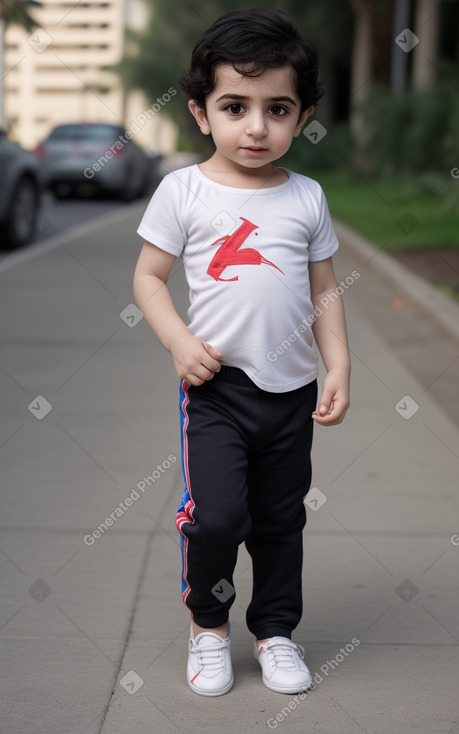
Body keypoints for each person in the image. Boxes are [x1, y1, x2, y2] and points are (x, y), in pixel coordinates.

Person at [133, 8, 350, 697]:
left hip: (289, 394)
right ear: (200, 113)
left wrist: (338, 364)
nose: (256, 127)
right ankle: (208, 628)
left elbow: (325, 291)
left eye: (277, 109)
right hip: (218, 391)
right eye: (235, 106)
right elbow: (147, 278)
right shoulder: (184, 191)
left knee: (281, 521)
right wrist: (178, 339)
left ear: (302, 114)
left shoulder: (306, 197)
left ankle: (277, 631)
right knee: (219, 516)